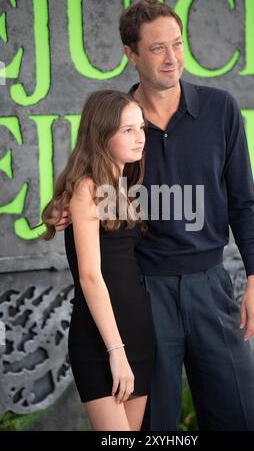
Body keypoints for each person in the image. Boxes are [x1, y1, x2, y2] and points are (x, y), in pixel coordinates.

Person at [55, 0, 254, 431]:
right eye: (157, 49)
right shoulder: (120, 126)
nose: (172, 59)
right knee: (156, 429)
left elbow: (243, 201)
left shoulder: (220, 109)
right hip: (144, 294)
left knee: (243, 420)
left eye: (177, 44)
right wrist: (66, 206)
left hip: (211, 286)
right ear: (131, 55)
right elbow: (91, 180)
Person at [41, 90, 156, 431]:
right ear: (102, 135)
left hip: (137, 332)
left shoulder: (124, 188)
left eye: (141, 128)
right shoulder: (86, 190)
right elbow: (91, 277)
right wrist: (116, 352)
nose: (140, 138)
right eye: (128, 130)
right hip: (101, 340)